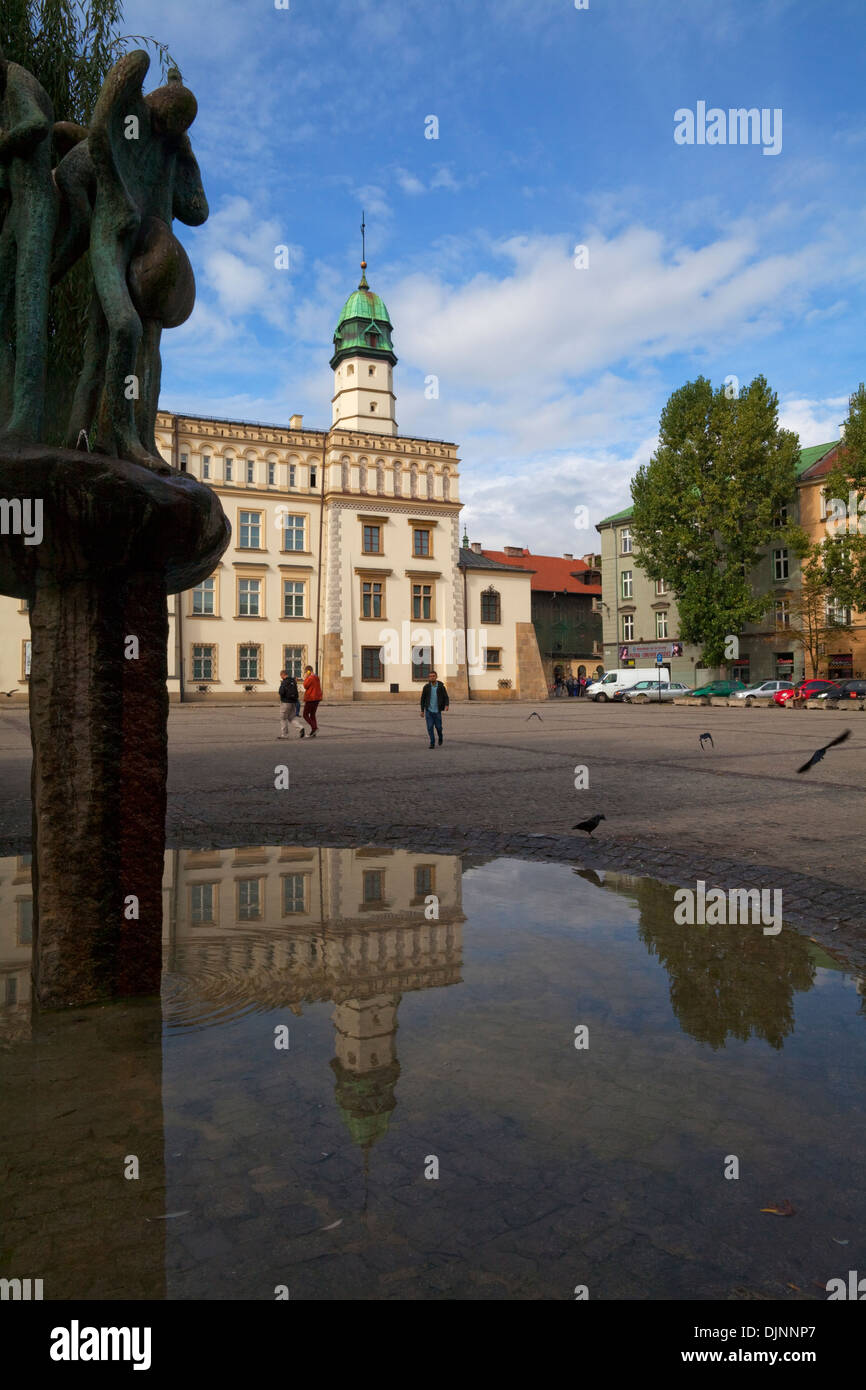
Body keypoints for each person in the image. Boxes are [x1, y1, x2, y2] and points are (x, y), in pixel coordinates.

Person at [420, 669, 449, 747]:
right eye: (430, 676)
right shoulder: (426, 687)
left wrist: (447, 705)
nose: (432, 678)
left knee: (439, 727)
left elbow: (446, 697)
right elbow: (422, 699)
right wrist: (422, 710)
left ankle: (440, 737)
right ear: (429, 678)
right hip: (429, 710)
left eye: (433, 676)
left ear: (436, 677)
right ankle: (432, 742)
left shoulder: (441, 687)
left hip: (437, 711)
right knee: (430, 727)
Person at [277, 669, 303, 739]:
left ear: (283, 675)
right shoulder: (293, 681)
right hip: (293, 702)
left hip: (285, 702)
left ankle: (285, 734)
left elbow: (281, 692)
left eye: (281, 676)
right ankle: (300, 727)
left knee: (283, 718)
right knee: (291, 717)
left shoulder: (284, 682)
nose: (281, 677)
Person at [302, 665, 322, 737]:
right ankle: (314, 731)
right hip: (317, 698)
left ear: (308, 671)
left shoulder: (310, 678)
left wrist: (306, 677)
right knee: (312, 715)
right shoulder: (316, 677)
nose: (305, 673)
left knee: (305, 714)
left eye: (306, 672)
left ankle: (314, 728)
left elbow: (305, 685)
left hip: (311, 698)